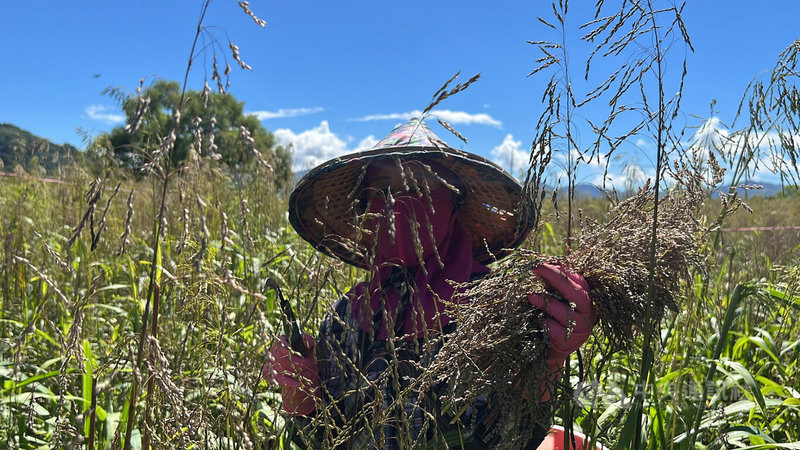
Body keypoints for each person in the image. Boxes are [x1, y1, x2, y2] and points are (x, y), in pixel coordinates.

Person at [264, 119, 596, 449]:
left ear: (454, 203)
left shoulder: (497, 310)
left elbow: (517, 439)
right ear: (366, 212)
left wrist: (545, 365)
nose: (398, 202)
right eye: (382, 190)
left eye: (421, 184)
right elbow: (328, 440)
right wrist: (304, 404)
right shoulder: (346, 319)